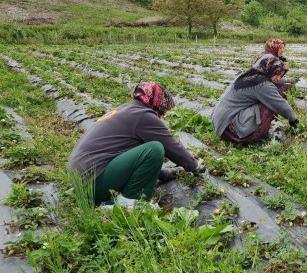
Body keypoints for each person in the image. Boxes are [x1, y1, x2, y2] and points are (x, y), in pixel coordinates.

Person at [67, 82, 204, 207]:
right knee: (155, 149)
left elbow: (134, 161)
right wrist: (194, 166)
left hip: (80, 180)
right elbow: (171, 147)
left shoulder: (127, 110)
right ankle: (128, 202)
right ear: (154, 101)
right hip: (92, 182)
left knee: (148, 152)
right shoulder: (143, 115)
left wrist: (166, 174)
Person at [212, 57, 298, 144]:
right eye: (278, 74)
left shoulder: (252, 76)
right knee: (268, 107)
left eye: (281, 75)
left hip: (220, 123)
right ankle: (257, 135)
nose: (279, 78)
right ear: (271, 70)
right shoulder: (262, 84)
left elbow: (276, 83)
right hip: (229, 130)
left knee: (267, 99)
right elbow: (279, 104)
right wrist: (293, 119)